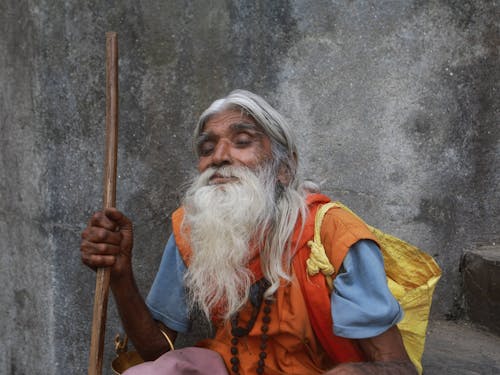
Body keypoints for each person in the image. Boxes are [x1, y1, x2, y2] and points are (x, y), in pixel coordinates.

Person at [81, 90, 417, 374]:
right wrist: (120, 275)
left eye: (242, 141)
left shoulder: (332, 233)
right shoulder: (194, 227)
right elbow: (158, 351)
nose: (219, 157)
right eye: (207, 148)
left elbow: (397, 366)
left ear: (284, 169)